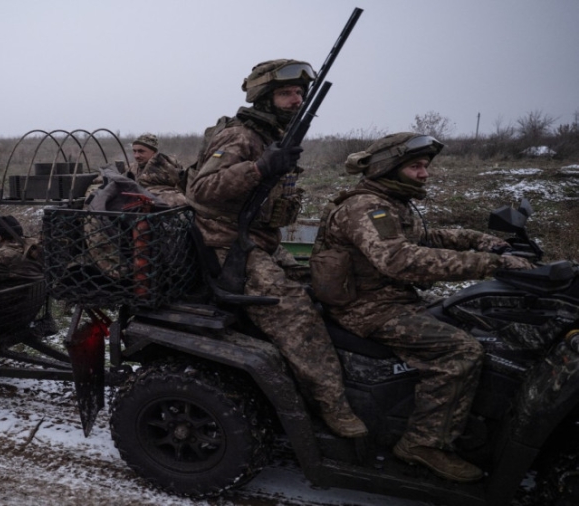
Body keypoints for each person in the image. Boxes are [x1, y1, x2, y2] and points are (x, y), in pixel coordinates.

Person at [309, 132, 534, 482]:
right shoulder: (366, 207)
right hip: (366, 307)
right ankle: (422, 443)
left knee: (477, 321)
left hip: (391, 297)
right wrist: (490, 264)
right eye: (415, 166)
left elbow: (426, 237)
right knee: (461, 351)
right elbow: (400, 259)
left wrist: (484, 242)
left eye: (425, 166)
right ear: (389, 168)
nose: (424, 174)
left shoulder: (392, 202)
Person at [184, 59, 367, 438]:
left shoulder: (273, 135)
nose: (296, 100)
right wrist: (258, 168)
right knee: (296, 313)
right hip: (227, 244)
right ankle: (331, 406)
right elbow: (200, 191)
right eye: (286, 93)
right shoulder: (241, 137)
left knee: (325, 285)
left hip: (262, 241)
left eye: (300, 93)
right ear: (265, 98)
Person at [126, 133, 186, 207]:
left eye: (141, 151)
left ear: (154, 152)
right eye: (134, 151)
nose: (136, 156)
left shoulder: (167, 167)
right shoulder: (132, 168)